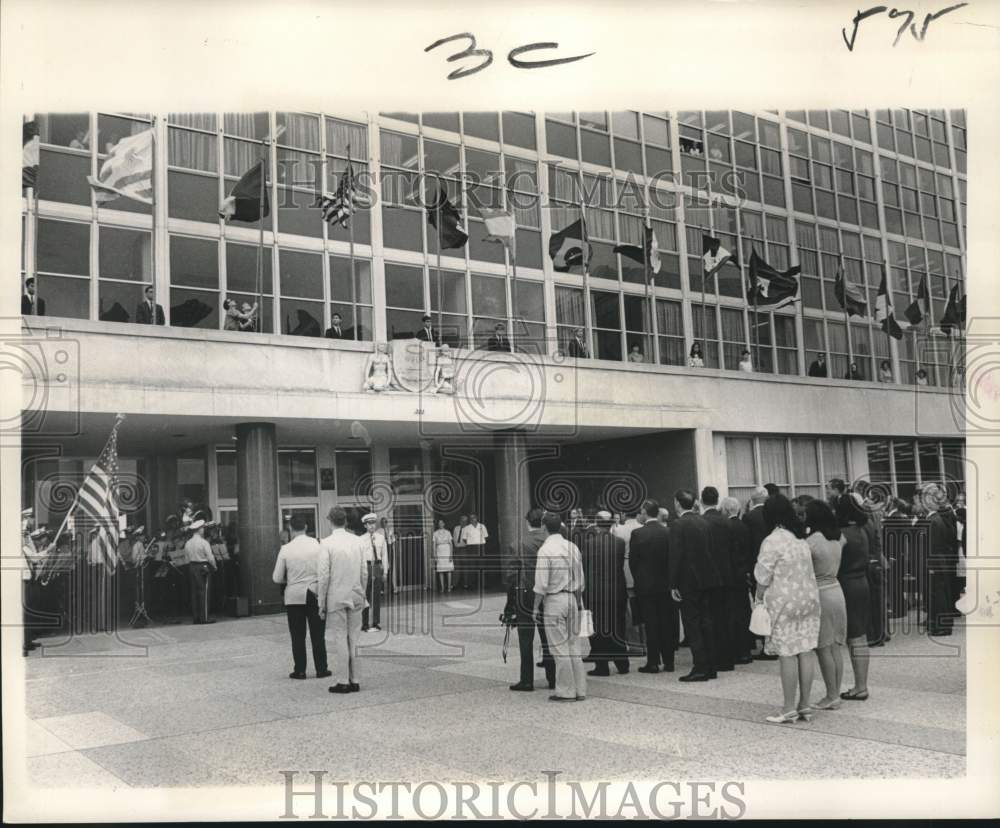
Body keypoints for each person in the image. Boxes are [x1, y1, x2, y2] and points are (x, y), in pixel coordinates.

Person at [754, 494, 820, 723]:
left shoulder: (772, 541)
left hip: (784, 603)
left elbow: (763, 576)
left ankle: (788, 707)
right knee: (806, 649)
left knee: (787, 653)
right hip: (809, 601)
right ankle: (805, 705)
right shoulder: (800, 539)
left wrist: (758, 599)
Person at [532, 512, 586, 701]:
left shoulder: (545, 551)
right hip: (572, 598)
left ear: (544, 527)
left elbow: (541, 584)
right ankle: (580, 690)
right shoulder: (572, 547)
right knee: (574, 646)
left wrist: (535, 607)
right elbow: (580, 580)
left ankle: (565, 691)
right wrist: (579, 603)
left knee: (559, 648)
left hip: (554, 601)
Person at [670, 489, 723, 681]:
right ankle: (711, 666)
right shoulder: (703, 522)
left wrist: (673, 584)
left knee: (692, 624)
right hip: (706, 579)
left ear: (677, 503)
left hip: (688, 582)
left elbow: (676, 556)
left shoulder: (678, 524)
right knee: (706, 622)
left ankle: (700, 666)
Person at [272, 514, 329, 679]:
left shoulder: (286, 549)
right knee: (318, 633)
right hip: (315, 593)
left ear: (290, 528)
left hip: (294, 596)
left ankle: (300, 670)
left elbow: (276, 578)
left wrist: (290, 579)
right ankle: (321, 668)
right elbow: (325, 571)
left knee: (297, 635)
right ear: (306, 527)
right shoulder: (319, 544)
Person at [804, 500, 848, 710]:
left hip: (820, 593)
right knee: (836, 646)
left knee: (823, 647)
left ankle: (830, 695)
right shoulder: (839, 538)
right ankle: (836, 692)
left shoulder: (812, 541)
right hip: (836, 590)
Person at [318, 507, 367, 693]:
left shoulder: (327, 543)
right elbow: (364, 571)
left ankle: (343, 680)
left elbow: (323, 576)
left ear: (330, 521)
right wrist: (363, 593)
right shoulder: (358, 542)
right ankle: (355, 679)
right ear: (346, 521)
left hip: (336, 597)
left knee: (340, 638)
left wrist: (321, 603)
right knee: (354, 638)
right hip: (356, 594)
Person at [506, 508, 555, 692]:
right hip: (547, 593)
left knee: (525, 639)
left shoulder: (518, 544)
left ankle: (527, 680)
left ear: (527, 523)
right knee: (548, 637)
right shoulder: (548, 542)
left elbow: (511, 576)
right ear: (542, 523)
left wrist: (509, 602)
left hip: (524, 593)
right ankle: (552, 677)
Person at [581, 511, 629, 677]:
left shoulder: (588, 544)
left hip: (596, 592)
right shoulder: (620, 543)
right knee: (618, 627)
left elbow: (585, 568)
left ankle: (602, 666)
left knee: (598, 629)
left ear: (596, 523)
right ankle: (623, 663)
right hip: (616, 591)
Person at [836, 495, 872, 701]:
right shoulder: (862, 531)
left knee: (853, 637)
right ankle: (861, 684)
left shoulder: (842, 534)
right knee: (860, 635)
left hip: (846, 583)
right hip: (862, 582)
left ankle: (859, 687)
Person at [700, 487, 738, 673]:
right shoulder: (726, 522)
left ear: (701, 500)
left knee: (710, 618)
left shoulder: (702, 522)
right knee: (725, 617)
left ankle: (713, 658)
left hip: (709, 577)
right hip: (728, 575)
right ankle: (727, 657)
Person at [921, 482, 959, 636]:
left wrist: (930, 565)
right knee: (941, 593)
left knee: (939, 594)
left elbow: (933, 546)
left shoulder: (933, 521)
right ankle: (941, 624)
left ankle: (942, 626)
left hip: (935, 561)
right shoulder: (936, 519)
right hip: (939, 560)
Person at [720, 496, 754, 665]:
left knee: (732, 613)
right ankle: (746, 649)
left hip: (730, 575)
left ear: (725, 510)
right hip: (742, 573)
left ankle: (737, 650)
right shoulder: (744, 526)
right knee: (743, 611)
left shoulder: (726, 527)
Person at [742, 487, 773, 660]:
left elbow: (747, 544)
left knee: (760, 603)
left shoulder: (749, 517)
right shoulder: (772, 515)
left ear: (752, 500)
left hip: (757, 564)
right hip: (775, 564)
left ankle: (763, 639)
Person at [184, 520, 217, 625]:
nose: (203, 530)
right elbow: (210, 557)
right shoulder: (204, 542)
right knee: (204, 592)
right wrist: (214, 566)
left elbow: (186, 558)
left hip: (192, 566)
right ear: (199, 530)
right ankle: (205, 618)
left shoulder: (188, 543)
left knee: (194, 593)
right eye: (202, 528)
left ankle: (196, 617)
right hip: (203, 567)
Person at [360, 512, 386, 631]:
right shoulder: (361, 539)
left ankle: (375, 622)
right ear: (365, 525)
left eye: (373, 523)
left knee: (376, 595)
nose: (372, 526)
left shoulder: (380, 538)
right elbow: (359, 557)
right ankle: (365, 623)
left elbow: (385, 555)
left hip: (377, 566)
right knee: (365, 595)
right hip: (366, 567)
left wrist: (385, 571)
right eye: (369, 524)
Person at [460, 513, 489, 592]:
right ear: (469, 520)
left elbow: (486, 536)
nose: (473, 519)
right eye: (471, 518)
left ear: (477, 518)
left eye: (474, 518)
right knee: (472, 566)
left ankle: (483, 584)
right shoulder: (466, 528)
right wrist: (471, 543)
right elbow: (464, 539)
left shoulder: (482, 526)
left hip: (480, 546)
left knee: (482, 565)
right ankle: (472, 585)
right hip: (471, 548)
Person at [432, 518, 454, 592]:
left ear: (444, 524)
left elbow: (451, 544)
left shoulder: (448, 532)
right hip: (439, 551)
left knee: (449, 570)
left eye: (442, 523)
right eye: (439, 523)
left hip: (447, 550)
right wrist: (435, 555)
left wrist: (451, 555)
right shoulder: (435, 533)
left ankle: (449, 587)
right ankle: (442, 588)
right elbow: (434, 545)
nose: (440, 524)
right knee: (441, 570)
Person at [452, 515, 468, 588]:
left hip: (464, 550)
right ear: (460, 521)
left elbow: (466, 542)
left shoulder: (468, 529)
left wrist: (458, 545)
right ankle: (455, 584)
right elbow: (454, 539)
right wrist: (457, 545)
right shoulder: (456, 528)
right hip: (456, 550)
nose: (463, 522)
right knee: (456, 567)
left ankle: (465, 584)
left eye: (465, 521)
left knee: (465, 567)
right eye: (462, 521)